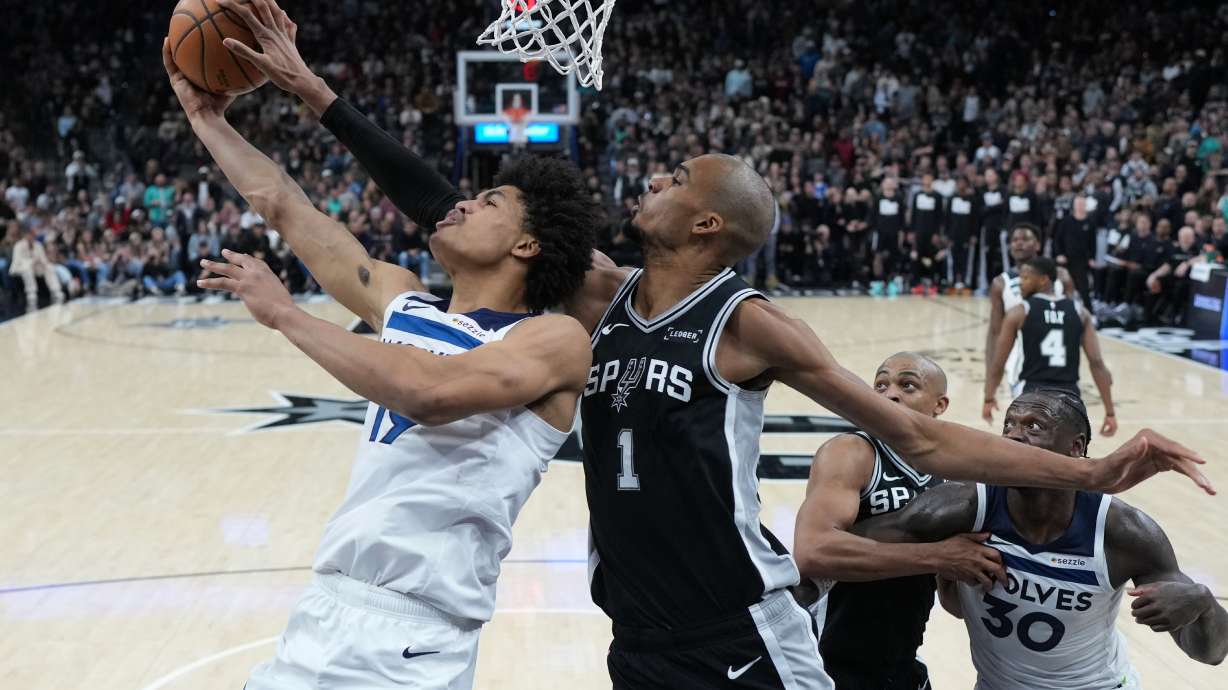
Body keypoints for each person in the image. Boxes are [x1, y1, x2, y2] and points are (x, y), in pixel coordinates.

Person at [219, 5, 1214, 689]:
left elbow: (932, 446)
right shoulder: (601, 294)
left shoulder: (746, 323)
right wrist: (317, 96)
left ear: (709, 226)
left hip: (737, 625)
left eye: (676, 177)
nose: (653, 176)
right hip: (638, 631)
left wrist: (1084, 472)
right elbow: (441, 207)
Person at [163, 25, 600, 690]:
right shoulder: (403, 300)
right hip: (323, 609)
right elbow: (282, 204)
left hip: (412, 640)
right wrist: (206, 121)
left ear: (527, 246)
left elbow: (427, 391)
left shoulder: (552, 341)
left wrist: (286, 315)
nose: (458, 205)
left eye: (487, 204)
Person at [854, 391, 1228, 689]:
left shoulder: (1123, 532)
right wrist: (937, 561)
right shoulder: (961, 507)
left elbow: (1211, 653)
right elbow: (844, 548)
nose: (1014, 435)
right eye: (1009, 425)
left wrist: (1202, 603)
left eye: (1034, 425)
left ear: (1075, 447)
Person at [794, 352, 1006, 690]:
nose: (890, 393)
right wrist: (939, 555)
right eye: (880, 385)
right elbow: (813, 552)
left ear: (940, 405)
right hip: (826, 665)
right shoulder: (851, 452)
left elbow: (954, 603)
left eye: (907, 385)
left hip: (900, 664)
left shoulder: (949, 474)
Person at [984, 256, 1116, 435]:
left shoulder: (1020, 312)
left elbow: (998, 364)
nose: (1020, 283)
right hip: (1070, 399)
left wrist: (989, 397)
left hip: (1032, 397)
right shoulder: (1080, 312)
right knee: (1067, 460)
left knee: (1026, 459)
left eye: (1025, 278)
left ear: (1043, 279)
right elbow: (1097, 363)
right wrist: (1109, 412)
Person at [985, 224, 1076, 399]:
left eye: (1025, 239)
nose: (1019, 243)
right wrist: (990, 374)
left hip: (1059, 364)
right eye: (1015, 240)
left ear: (1038, 245)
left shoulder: (1061, 277)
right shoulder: (1001, 283)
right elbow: (995, 333)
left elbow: (1074, 323)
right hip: (1022, 365)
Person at [9, 222, 65, 309]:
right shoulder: (19, 245)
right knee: (27, 269)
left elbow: (44, 260)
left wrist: (40, 262)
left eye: (33, 234)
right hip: (20, 268)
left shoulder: (38, 245)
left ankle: (56, 291)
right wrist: (32, 261)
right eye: (29, 234)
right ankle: (31, 295)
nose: (31, 236)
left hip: (36, 268)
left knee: (49, 267)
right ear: (25, 235)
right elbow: (17, 261)